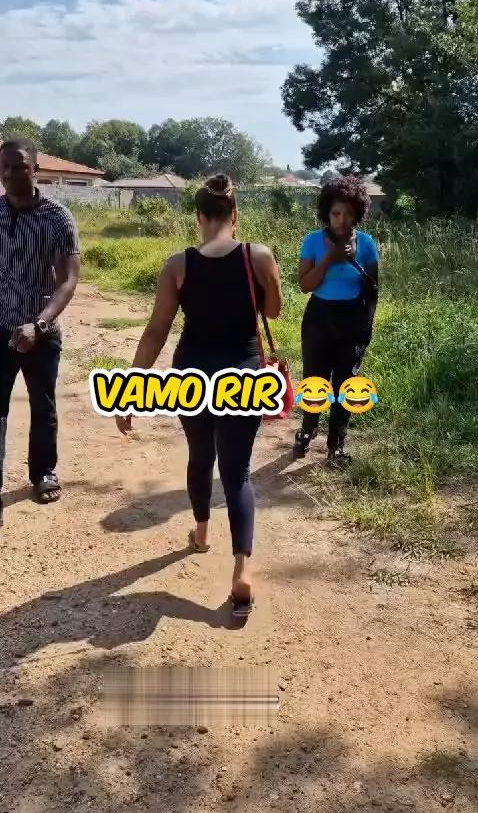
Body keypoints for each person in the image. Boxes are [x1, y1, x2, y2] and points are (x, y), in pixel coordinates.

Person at [116, 174, 282, 617]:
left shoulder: (178, 266)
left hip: (192, 373)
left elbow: (155, 333)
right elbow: (272, 311)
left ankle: (203, 534)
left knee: (200, 456)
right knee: (237, 473)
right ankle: (242, 570)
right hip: (243, 376)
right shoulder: (258, 256)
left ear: (199, 218)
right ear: (235, 216)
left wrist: (129, 392)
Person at [0, 138, 81, 526]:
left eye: (18, 166)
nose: (9, 174)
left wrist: (40, 324)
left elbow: (68, 280)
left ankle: (43, 472)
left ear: (35, 170)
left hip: (41, 331)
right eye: (4, 167)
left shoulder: (57, 218)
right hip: (0, 328)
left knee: (43, 406)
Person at [293, 175, 379, 466]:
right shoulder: (313, 241)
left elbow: (373, 289)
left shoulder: (366, 244)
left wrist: (368, 325)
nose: (341, 220)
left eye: (348, 214)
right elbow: (304, 285)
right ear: (326, 213)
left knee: (345, 384)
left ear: (357, 214)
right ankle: (307, 430)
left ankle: (337, 443)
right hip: (319, 318)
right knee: (314, 379)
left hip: (353, 320)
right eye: (336, 213)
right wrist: (329, 259)